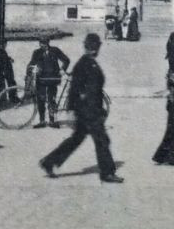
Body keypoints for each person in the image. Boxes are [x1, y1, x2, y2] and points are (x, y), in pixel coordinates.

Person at [39, 33, 121, 183]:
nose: (95, 50)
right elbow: (74, 88)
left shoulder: (90, 62)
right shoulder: (83, 64)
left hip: (90, 110)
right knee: (102, 141)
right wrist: (71, 110)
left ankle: (48, 162)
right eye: (93, 47)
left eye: (96, 47)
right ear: (89, 48)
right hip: (87, 112)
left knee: (75, 140)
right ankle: (107, 173)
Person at [28, 36, 72, 129]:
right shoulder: (37, 52)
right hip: (41, 79)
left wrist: (62, 69)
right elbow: (31, 64)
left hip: (53, 78)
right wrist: (31, 70)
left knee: (51, 99)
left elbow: (66, 60)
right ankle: (42, 121)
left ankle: (52, 121)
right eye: (40, 43)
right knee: (41, 99)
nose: (42, 45)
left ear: (48, 43)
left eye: (44, 43)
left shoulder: (55, 50)